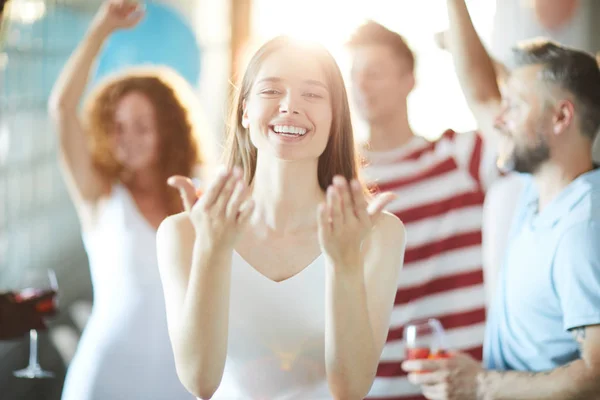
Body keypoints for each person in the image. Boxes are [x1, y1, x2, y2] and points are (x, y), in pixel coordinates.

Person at [158, 36, 406, 400]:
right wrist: (212, 250)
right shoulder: (184, 233)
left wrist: (344, 262)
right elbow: (200, 382)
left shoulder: (376, 234)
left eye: (312, 94)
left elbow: (351, 389)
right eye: (272, 91)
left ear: (336, 117)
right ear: (244, 111)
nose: (289, 107)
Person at [402, 1, 600, 399]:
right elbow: (479, 91)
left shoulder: (582, 227)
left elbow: (596, 375)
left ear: (561, 118)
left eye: (514, 106)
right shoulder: (541, 187)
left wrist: (480, 384)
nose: (497, 118)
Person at [48, 1, 206, 399]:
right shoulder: (101, 197)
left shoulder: (197, 199)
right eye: (117, 127)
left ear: (168, 132)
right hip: (104, 381)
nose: (127, 139)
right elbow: (63, 110)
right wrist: (100, 32)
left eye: (142, 127)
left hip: (180, 385)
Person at [347, 17, 501, 400]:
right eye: (354, 75)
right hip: (377, 389)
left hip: (467, 385)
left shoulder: (460, 156)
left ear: (409, 80)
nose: (361, 86)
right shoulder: (343, 182)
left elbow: (499, 104)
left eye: (375, 73)